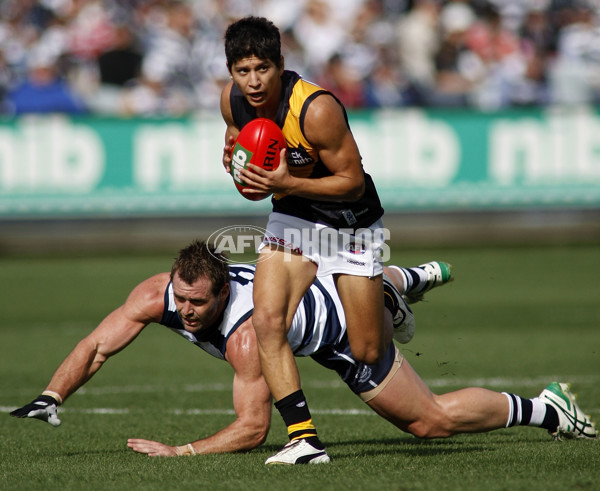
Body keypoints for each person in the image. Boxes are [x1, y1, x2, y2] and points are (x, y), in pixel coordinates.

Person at [10, 241, 597, 465]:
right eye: (180, 300)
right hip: (311, 303)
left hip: (342, 331)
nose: (185, 312)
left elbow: (252, 428)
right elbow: (96, 346)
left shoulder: (244, 337)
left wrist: (180, 451)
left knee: (430, 422)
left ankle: (547, 409)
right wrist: (50, 395)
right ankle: (401, 281)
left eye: (197, 304)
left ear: (222, 292)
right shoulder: (157, 295)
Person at [220, 15, 394, 464]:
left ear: (280, 64)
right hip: (294, 218)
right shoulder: (232, 101)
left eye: (262, 68)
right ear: (230, 72)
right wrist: (232, 156)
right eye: (243, 71)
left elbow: (353, 181)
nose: (253, 81)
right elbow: (238, 138)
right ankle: (304, 439)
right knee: (267, 320)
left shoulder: (316, 108)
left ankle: (390, 291)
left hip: (351, 223)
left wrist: (287, 182)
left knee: (366, 350)